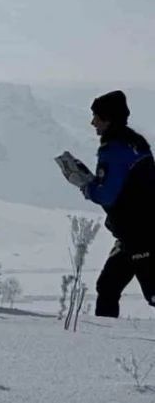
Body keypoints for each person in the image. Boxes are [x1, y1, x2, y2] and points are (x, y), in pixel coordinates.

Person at [65, 91, 155, 317]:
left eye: (96, 117)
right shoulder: (136, 143)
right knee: (108, 286)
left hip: (140, 234)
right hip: (133, 233)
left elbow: (107, 195)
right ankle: (104, 342)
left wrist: (85, 186)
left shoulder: (113, 149)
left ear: (109, 120)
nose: (93, 122)